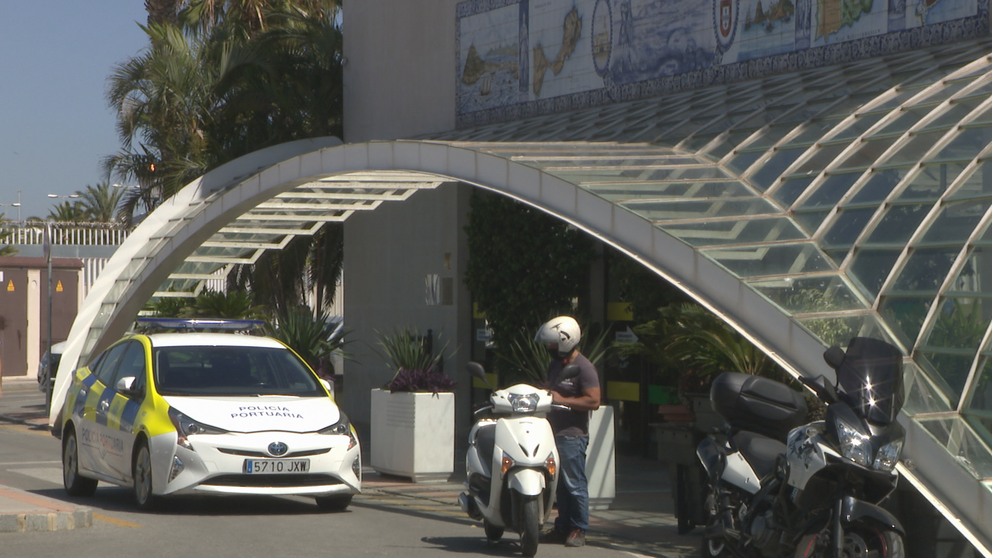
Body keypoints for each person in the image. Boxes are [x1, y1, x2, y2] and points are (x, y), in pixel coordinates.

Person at [535, 316, 601, 548]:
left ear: (566, 341)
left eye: (553, 343)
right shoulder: (555, 365)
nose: (550, 348)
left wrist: (564, 400)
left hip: (572, 435)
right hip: (552, 432)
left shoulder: (585, 368)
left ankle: (578, 528)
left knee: (574, 483)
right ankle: (562, 526)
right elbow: (549, 389)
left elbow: (594, 400)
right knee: (559, 485)